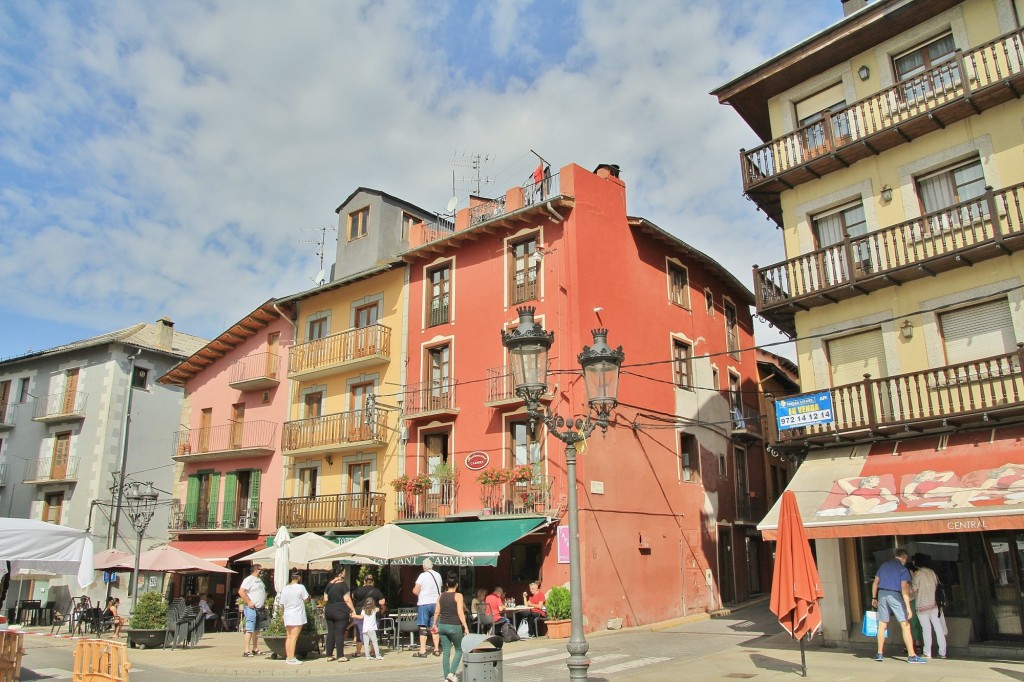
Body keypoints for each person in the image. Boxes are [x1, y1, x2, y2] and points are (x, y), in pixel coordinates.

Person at [871, 549, 926, 663]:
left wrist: (874, 597)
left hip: (881, 594)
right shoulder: (902, 569)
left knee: (882, 624)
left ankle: (879, 653)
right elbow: (904, 589)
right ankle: (911, 655)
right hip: (895, 595)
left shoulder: (884, 565)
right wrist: (908, 608)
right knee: (905, 624)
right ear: (904, 558)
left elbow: (875, 582)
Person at [432, 571, 470, 682]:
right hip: (454, 626)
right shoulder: (458, 596)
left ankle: (446, 677)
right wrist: (466, 627)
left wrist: (434, 624)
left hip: (442, 625)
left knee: (446, 652)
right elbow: (460, 613)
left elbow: (436, 612)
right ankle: (452, 673)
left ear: (447, 584)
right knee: (459, 649)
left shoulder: (441, 596)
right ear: (457, 584)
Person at [911, 553, 947, 659]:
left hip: (922, 605)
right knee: (938, 627)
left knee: (926, 628)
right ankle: (942, 652)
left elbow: (913, 590)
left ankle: (927, 652)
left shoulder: (918, 574)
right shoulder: (932, 572)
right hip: (934, 604)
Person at [322, 567, 355, 662]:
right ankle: (340, 655)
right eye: (344, 572)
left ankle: (329, 655)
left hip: (329, 610)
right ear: (340, 574)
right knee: (340, 633)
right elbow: (347, 599)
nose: (345, 574)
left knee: (331, 633)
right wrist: (352, 609)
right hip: (340, 611)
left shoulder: (329, 585)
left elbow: (325, 599)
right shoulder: (343, 585)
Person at [412, 559, 442, 658]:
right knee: (434, 626)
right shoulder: (438, 575)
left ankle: (422, 650)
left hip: (424, 603)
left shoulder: (422, 575)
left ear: (424, 566)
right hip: (436, 603)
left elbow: (416, 591)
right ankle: (437, 649)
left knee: (423, 627)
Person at [352, 573, 386, 657]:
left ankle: (358, 651)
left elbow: (353, 596)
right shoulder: (376, 591)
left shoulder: (358, 590)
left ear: (364, 581)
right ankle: (372, 651)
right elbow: (382, 602)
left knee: (360, 632)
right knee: (372, 632)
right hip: (373, 614)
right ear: (373, 582)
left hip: (360, 612)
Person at [280, 571, 310, 666]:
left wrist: (282, 614)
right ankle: (291, 658)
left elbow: (282, 604)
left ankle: (288, 657)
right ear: (299, 578)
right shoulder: (300, 587)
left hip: (287, 614)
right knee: (294, 637)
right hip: (297, 614)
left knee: (288, 637)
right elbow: (306, 599)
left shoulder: (285, 588)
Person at [238, 564, 267, 657]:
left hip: (259, 608)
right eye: (260, 570)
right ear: (256, 570)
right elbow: (241, 591)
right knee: (250, 628)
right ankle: (246, 650)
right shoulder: (249, 579)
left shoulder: (259, 580)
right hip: (251, 607)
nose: (261, 571)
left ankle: (255, 648)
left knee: (256, 629)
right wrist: (249, 601)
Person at [352, 596, 384, 661]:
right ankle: (378, 655)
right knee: (374, 642)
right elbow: (379, 609)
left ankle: (367, 656)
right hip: (371, 629)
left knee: (366, 643)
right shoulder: (374, 610)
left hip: (365, 629)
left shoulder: (364, 610)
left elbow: (361, 617)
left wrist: (354, 616)